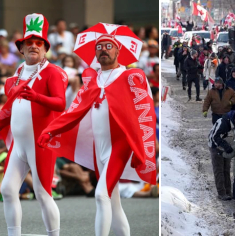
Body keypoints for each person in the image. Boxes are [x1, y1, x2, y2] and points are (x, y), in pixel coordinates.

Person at [38, 27, 158, 235]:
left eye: (108, 46)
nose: (103, 50)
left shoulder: (131, 76)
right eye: (99, 47)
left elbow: (145, 112)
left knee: (101, 195)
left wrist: (145, 144)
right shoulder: (91, 80)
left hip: (119, 146)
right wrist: (50, 130)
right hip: (99, 147)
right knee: (113, 201)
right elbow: (73, 111)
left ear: (118, 50)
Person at [0, 13, 66, 236]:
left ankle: (53, 235)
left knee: (43, 193)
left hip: (40, 143)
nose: (34, 46)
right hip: (18, 145)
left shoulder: (52, 72)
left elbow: (60, 103)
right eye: (30, 42)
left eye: (39, 43)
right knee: (8, 190)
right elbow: (10, 108)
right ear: (21, 48)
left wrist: (36, 97)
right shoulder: (17, 74)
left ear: (45, 48)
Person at [207, 110, 235, 201]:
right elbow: (214, 137)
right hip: (215, 147)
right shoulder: (224, 123)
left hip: (227, 147)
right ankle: (221, 193)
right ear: (234, 119)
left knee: (226, 169)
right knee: (219, 170)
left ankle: (228, 192)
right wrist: (225, 146)